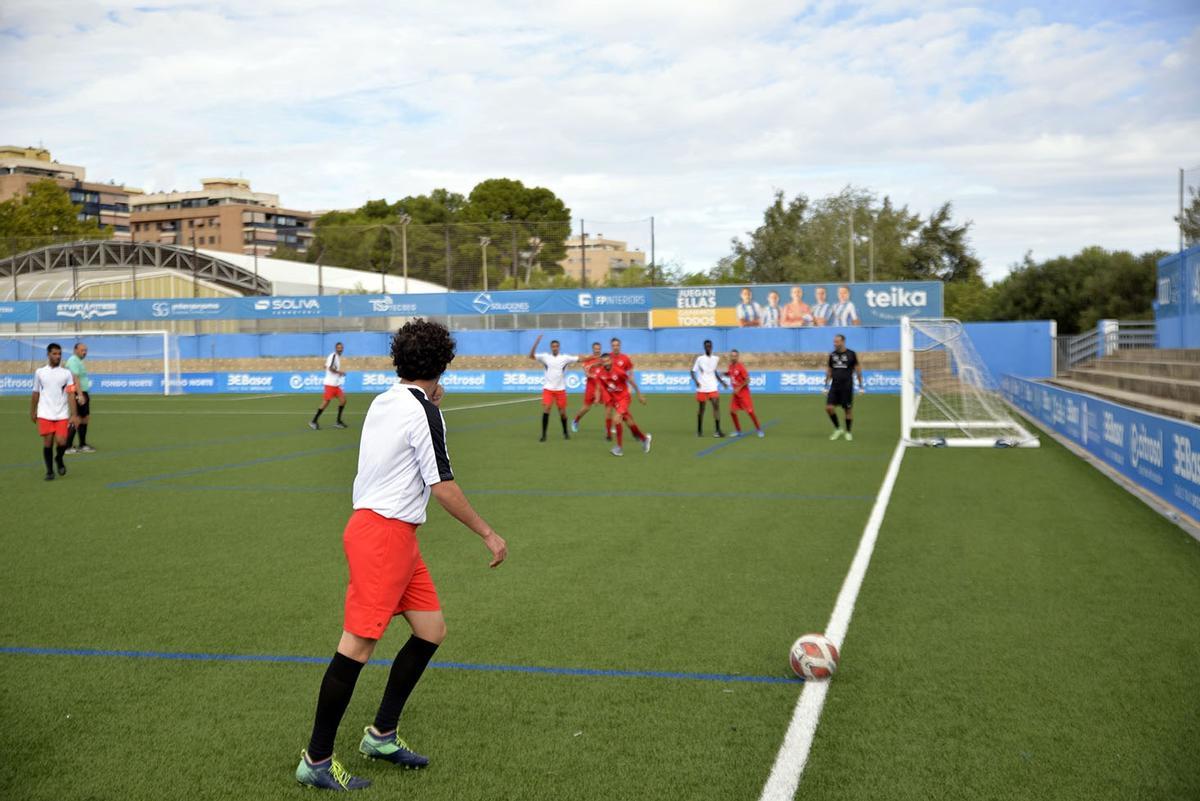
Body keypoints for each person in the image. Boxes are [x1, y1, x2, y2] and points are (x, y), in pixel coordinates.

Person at [295, 319, 507, 792]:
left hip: (390, 533)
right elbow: (443, 487)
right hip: (383, 537)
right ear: (443, 364)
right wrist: (489, 534)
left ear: (400, 361)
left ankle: (381, 734)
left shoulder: (385, 400)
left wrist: (429, 401)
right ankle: (317, 759)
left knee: (430, 631)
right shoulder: (425, 413)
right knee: (357, 646)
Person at [30, 343, 78, 481]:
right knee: (48, 442)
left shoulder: (66, 373)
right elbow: (35, 393)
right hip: (44, 412)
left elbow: (70, 394)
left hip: (61, 413)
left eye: (59, 354)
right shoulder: (40, 372)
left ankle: (59, 458)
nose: (57, 356)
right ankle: (50, 471)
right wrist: (32, 411)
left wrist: (74, 415)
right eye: (54, 354)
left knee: (62, 442)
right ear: (48, 354)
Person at [594, 352, 651, 457]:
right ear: (601, 363)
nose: (606, 363)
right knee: (629, 422)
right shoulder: (600, 374)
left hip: (624, 398)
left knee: (616, 419)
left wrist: (639, 395)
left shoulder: (619, 371)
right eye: (603, 361)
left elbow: (631, 381)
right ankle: (644, 439)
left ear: (611, 360)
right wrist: (598, 397)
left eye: (607, 360)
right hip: (615, 400)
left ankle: (619, 448)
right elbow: (599, 387)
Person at [528, 334, 578, 441]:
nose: (555, 348)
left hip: (561, 389)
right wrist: (536, 343)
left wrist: (594, 357)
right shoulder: (545, 357)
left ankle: (565, 432)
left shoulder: (565, 358)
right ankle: (544, 435)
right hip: (548, 389)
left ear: (559, 347)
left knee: (563, 413)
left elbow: (579, 359)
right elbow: (531, 356)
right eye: (553, 346)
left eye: (556, 346)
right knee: (546, 409)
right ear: (551, 347)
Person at [825, 334, 864, 441]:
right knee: (829, 408)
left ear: (843, 342)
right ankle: (838, 429)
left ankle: (848, 432)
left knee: (847, 410)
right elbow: (829, 370)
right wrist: (826, 385)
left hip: (847, 387)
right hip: (834, 386)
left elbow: (858, 370)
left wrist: (861, 386)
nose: (835, 343)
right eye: (834, 341)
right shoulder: (832, 355)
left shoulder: (851, 354)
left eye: (837, 342)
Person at [692, 339, 728, 437]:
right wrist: (696, 382)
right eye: (706, 346)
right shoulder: (700, 359)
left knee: (716, 406)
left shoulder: (715, 358)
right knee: (702, 409)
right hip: (702, 387)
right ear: (704, 347)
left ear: (712, 347)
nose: (708, 347)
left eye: (709, 346)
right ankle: (699, 431)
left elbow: (714, 372)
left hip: (712, 386)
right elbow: (692, 371)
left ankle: (717, 431)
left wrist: (721, 382)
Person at [64, 341, 95, 453]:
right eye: (82, 350)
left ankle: (82, 444)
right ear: (75, 350)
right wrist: (80, 394)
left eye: (85, 350)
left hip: (83, 392)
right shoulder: (73, 360)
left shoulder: (78, 361)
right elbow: (75, 378)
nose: (84, 352)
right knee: (75, 418)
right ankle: (67, 446)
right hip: (78, 393)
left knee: (85, 418)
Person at [725, 349, 763, 438]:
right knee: (732, 412)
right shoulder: (730, 366)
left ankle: (759, 429)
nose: (733, 357)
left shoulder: (741, 367)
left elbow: (748, 380)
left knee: (750, 412)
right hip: (736, 395)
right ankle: (738, 431)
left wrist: (739, 388)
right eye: (732, 356)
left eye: (735, 356)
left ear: (737, 357)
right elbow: (731, 374)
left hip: (744, 394)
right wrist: (725, 374)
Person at [311, 342, 348, 430]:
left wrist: (333, 370)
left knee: (343, 401)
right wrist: (340, 372)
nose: (340, 349)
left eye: (342, 347)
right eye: (339, 348)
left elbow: (326, 366)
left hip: (336, 384)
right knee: (326, 403)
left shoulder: (337, 357)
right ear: (336, 348)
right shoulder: (334, 356)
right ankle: (314, 421)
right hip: (330, 384)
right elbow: (330, 368)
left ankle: (338, 422)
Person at [570, 342, 605, 434]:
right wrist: (593, 375)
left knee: (609, 405)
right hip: (591, 386)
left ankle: (608, 426)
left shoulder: (604, 359)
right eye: (595, 348)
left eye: (599, 348)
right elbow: (586, 373)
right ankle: (575, 421)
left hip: (602, 386)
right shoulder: (588, 360)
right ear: (593, 349)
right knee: (586, 407)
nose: (597, 350)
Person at [606, 337, 634, 441]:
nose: (615, 347)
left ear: (620, 346)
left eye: (617, 345)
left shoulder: (625, 358)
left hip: (622, 391)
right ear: (611, 346)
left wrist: (630, 387)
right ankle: (608, 432)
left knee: (622, 413)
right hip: (610, 390)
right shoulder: (608, 358)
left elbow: (630, 371)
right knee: (608, 411)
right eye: (613, 345)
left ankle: (631, 431)